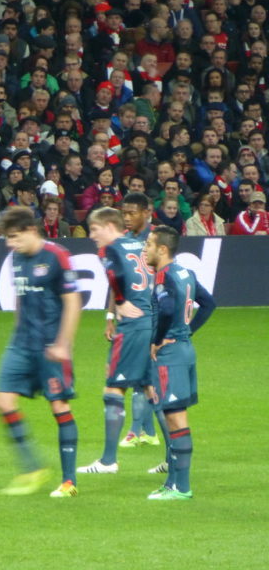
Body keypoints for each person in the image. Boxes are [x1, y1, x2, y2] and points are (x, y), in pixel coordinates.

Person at [0, 206, 82, 498]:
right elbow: (21, 298)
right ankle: (32, 468)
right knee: (3, 401)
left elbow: (72, 302)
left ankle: (69, 482)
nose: (10, 244)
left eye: (15, 237)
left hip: (50, 347)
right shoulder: (16, 258)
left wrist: (63, 344)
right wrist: (16, 332)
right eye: (8, 238)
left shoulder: (57, 256)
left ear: (32, 231)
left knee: (58, 407)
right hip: (21, 343)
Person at [78, 207, 155, 475]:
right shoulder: (142, 242)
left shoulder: (110, 250)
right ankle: (173, 459)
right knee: (152, 391)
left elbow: (114, 276)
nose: (91, 235)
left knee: (113, 390)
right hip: (152, 322)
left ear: (110, 225)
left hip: (132, 327)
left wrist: (120, 303)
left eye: (94, 229)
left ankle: (108, 461)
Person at [143, 226, 216, 500]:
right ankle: (173, 483)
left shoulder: (164, 276)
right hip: (185, 350)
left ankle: (181, 487)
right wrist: (188, 331)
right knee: (175, 417)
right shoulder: (187, 273)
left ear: (163, 249)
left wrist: (157, 339)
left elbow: (167, 310)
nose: (145, 249)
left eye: (149, 244)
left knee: (175, 419)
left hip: (170, 355)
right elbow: (209, 304)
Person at [117, 192, 161, 448]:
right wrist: (112, 315)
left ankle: (136, 431)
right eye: (124, 212)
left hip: (153, 315)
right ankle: (149, 432)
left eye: (132, 212)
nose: (127, 217)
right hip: (133, 317)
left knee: (142, 375)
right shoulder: (123, 242)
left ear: (147, 212)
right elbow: (118, 283)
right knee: (144, 376)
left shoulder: (158, 239)